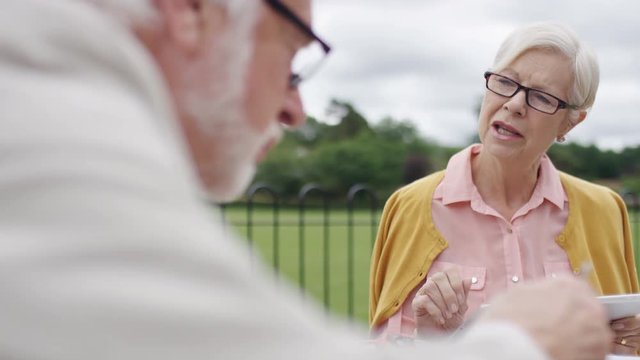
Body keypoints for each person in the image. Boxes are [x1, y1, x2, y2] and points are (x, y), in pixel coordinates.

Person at [0, 1, 613, 359]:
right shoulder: (50, 128)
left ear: (571, 122)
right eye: (293, 54)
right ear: (190, 11)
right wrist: (520, 342)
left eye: (540, 97)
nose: (295, 109)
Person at [369, 21, 640, 355]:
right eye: (506, 82)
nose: (514, 103)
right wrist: (432, 342)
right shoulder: (411, 206)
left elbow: (626, 341)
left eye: (541, 97)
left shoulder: (604, 210)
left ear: (571, 121)